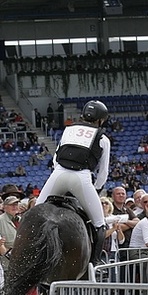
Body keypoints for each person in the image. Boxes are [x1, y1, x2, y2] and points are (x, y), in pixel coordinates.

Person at [36, 100, 111, 264]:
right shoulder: (103, 138)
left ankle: (19, 253)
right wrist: (96, 189)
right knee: (100, 224)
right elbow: (103, 172)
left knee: (34, 215)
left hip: (58, 174)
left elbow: (56, 159)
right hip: (81, 178)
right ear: (101, 119)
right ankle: (96, 263)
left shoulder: (68, 130)